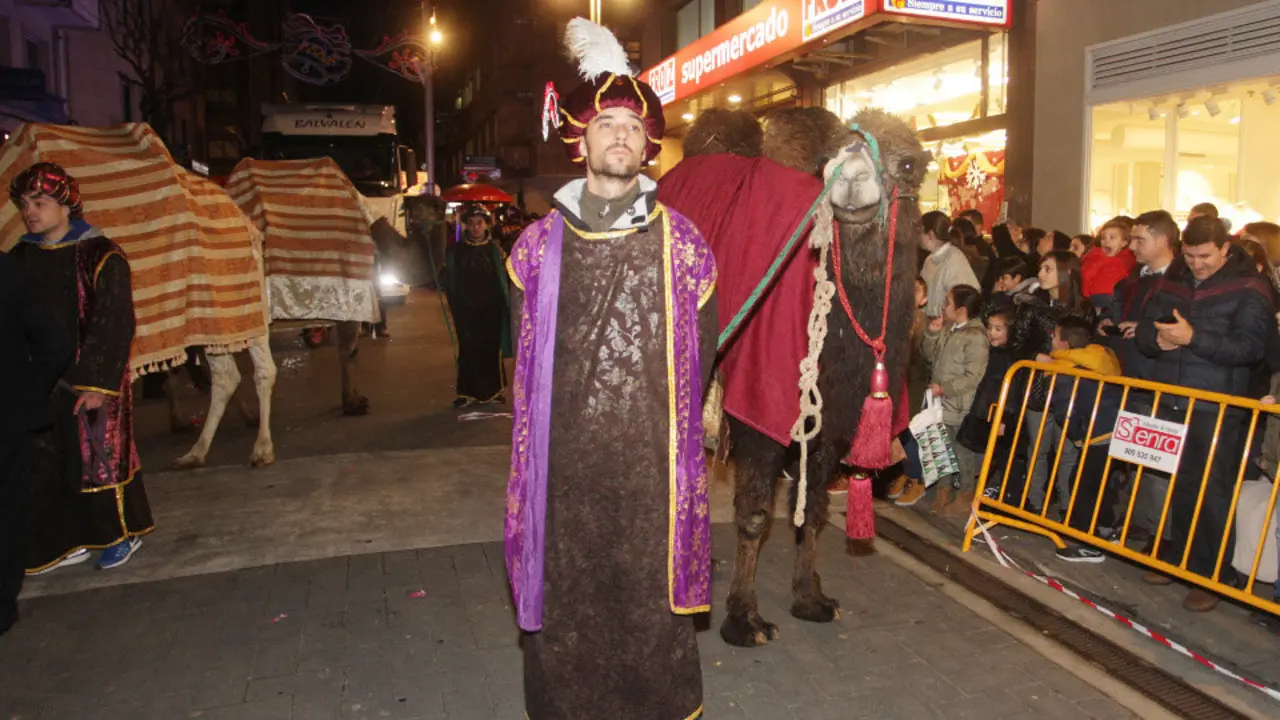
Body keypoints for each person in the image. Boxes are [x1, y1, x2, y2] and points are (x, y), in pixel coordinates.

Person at [503, 18, 717, 718]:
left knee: (648, 610)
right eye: (606, 124)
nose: (620, 134)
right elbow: (525, 368)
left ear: (647, 142)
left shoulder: (683, 245)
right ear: (581, 139)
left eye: (631, 124)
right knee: (571, 607)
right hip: (565, 473)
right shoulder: (535, 250)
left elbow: (704, 356)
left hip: (652, 471)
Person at [7, 162, 154, 575]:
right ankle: (65, 540)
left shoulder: (100, 254)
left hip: (88, 381)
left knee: (96, 459)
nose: (30, 211)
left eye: (40, 202)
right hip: (40, 381)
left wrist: (96, 383)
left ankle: (119, 534)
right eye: (24, 204)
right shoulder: (22, 257)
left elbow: (113, 321)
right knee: (47, 460)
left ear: (66, 204)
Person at [1136, 216, 1275, 612]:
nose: (1197, 264)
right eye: (1191, 255)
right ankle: (1180, 557)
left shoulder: (1249, 287)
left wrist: (1194, 338)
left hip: (1218, 402)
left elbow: (1250, 348)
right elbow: (1144, 326)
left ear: (1225, 249)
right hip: (1171, 394)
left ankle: (1211, 573)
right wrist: (1156, 340)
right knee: (1176, 482)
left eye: (1206, 256)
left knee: (1211, 489)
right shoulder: (1174, 277)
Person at [0, 252, 73, 634]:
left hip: (9, 421)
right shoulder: (11, 270)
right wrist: (26, 395)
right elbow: (56, 344)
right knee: (6, 515)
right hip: (8, 419)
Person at [1031, 317, 1123, 563]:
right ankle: (1105, 528)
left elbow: (1065, 410)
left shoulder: (1065, 370)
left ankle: (1087, 542)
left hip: (1095, 434)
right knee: (1100, 483)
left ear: (1064, 343)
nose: (1051, 341)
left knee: (1083, 486)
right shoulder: (1100, 357)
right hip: (1115, 430)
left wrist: (1078, 436)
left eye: (1054, 337)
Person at [907, 285, 988, 514]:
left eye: (948, 303)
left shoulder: (975, 337)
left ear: (961, 309)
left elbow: (974, 376)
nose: (943, 306)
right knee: (940, 447)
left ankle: (965, 492)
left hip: (959, 403)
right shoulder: (950, 329)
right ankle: (943, 490)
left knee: (960, 450)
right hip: (940, 402)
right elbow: (929, 355)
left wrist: (945, 389)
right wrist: (933, 333)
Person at [443, 204, 511, 408]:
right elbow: (448, 279)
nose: (475, 228)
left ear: (486, 225)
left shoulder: (495, 250)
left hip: (492, 309)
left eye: (479, 223)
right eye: (471, 224)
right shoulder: (455, 251)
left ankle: (494, 391)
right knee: (468, 349)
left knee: (491, 348)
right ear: (466, 226)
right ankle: (466, 393)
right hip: (466, 310)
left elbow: (506, 276)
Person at [920, 210, 980, 319]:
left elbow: (967, 300)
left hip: (949, 330)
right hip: (932, 329)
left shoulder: (955, 259)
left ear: (930, 235)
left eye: (920, 232)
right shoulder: (930, 259)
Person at [1081, 216, 1136, 315]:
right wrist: (1086, 298)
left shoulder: (1128, 257)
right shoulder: (1097, 256)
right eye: (1103, 238)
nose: (1106, 241)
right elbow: (1086, 276)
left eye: (1112, 237)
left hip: (1118, 297)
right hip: (1100, 296)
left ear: (1124, 242)